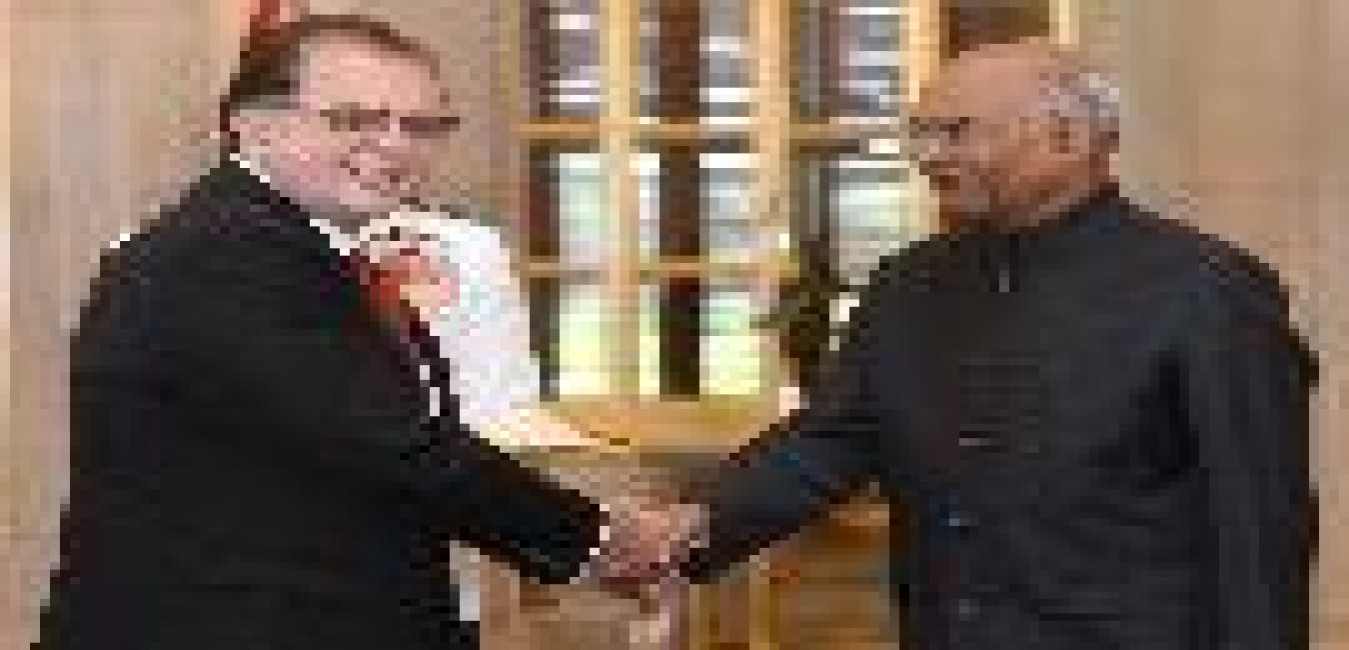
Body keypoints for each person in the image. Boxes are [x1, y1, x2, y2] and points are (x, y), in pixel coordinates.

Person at [620, 40, 1320, 650]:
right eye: (920, 135)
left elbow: (1258, 529)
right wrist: (695, 523)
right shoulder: (906, 285)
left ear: (1067, 138)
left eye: (957, 133)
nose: (931, 158)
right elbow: (832, 440)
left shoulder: (1206, 290)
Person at [39, 14, 669, 650]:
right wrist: (601, 540)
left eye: (420, 126)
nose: (394, 146)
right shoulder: (224, 255)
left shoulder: (304, 251)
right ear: (252, 125)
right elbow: (399, 448)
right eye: (353, 120)